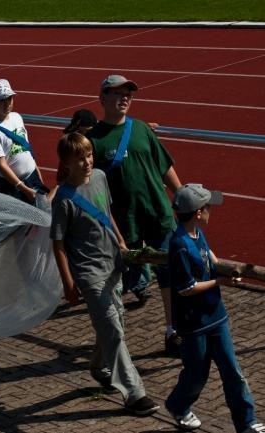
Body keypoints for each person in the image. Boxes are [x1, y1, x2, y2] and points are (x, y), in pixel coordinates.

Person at [50, 132, 160, 416]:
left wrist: (121, 243)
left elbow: (106, 214)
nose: (87, 163)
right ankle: (134, 393)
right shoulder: (63, 199)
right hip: (89, 274)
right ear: (66, 163)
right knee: (112, 330)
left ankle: (99, 366)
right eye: (80, 159)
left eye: (88, 156)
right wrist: (68, 283)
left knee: (116, 323)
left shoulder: (99, 177)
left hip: (113, 265)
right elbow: (59, 244)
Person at [87, 74, 182, 357]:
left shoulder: (141, 129)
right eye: (117, 93)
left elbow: (164, 166)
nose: (124, 98)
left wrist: (181, 195)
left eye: (128, 93)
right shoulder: (92, 141)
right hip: (122, 224)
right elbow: (89, 185)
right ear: (102, 98)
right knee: (114, 282)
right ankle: (109, 343)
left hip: (158, 213)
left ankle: (173, 332)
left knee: (170, 274)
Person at [165, 184, 265, 433]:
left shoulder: (197, 234)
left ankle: (246, 422)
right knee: (197, 374)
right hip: (193, 324)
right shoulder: (179, 244)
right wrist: (220, 281)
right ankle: (178, 405)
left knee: (232, 370)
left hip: (216, 317)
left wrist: (225, 270)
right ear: (198, 212)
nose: (212, 210)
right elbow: (186, 288)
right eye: (208, 206)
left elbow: (210, 257)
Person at [0, 78, 49, 205]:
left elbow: (26, 148)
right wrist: (22, 188)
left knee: (41, 215)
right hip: (10, 187)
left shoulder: (17, 117)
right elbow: (1, 165)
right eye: (1, 100)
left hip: (32, 178)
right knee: (15, 222)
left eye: (9, 99)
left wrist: (37, 172)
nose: (7, 104)